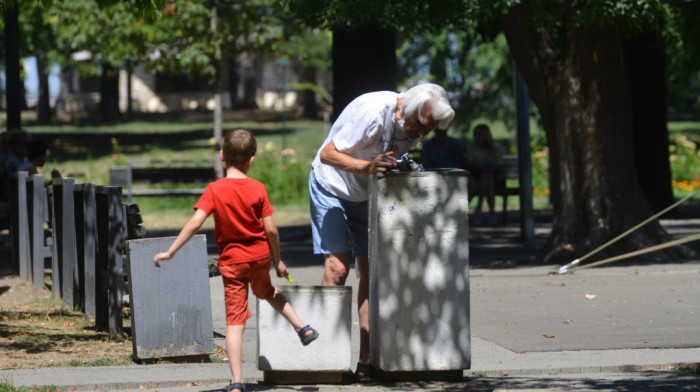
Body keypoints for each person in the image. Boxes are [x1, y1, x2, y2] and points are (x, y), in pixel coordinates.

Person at [309, 83, 455, 381]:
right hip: (331, 186)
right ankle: (323, 359)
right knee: (337, 268)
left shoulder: (412, 126)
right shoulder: (374, 113)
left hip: (367, 193)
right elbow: (328, 154)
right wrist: (368, 166)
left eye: (431, 130)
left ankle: (366, 361)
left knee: (371, 274)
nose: (422, 134)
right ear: (410, 109)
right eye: (422, 125)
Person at [153, 129, 318, 392]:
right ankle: (303, 327)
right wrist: (278, 261)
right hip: (260, 257)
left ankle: (237, 382)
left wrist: (171, 251)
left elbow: (196, 222)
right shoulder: (258, 188)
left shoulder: (214, 190)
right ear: (251, 160)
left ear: (221, 156)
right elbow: (272, 230)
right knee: (268, 291)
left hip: (233, 263)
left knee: (235, 322)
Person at [465, 123, 505, 226]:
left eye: (480, 135)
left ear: (486, 136)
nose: (477, 137)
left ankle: (478, 210)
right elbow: (471, 164)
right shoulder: (472, 148)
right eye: (476, 134)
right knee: (484, 179)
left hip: (493, 178)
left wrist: (487, 167)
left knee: (487, 176)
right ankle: (491, 214)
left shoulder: (496, 148)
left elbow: (498, 165)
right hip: (476, 177)